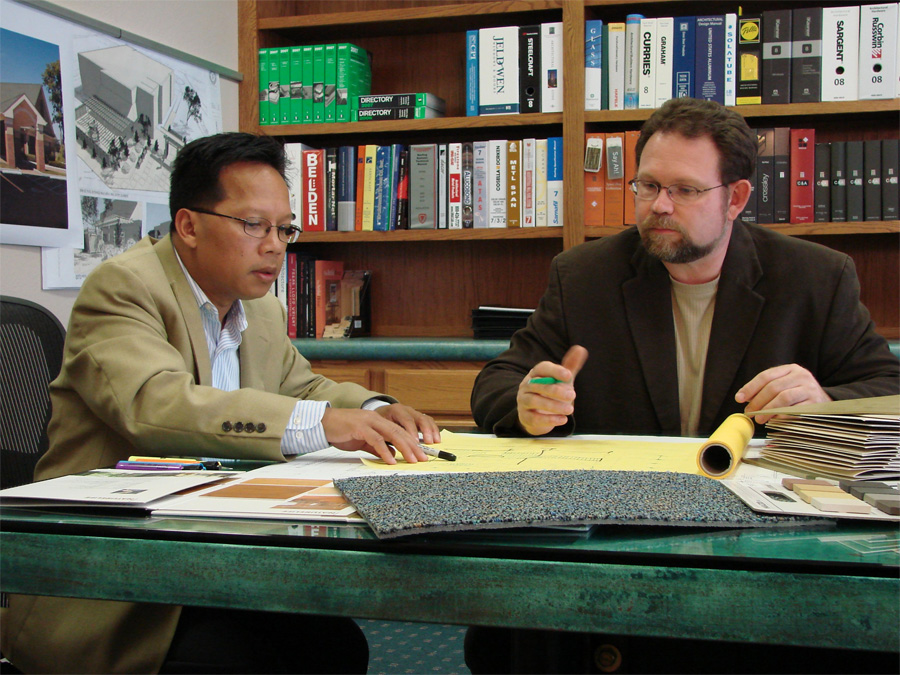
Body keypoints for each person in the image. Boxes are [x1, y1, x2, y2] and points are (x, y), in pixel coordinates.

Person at [466, 98, 899, 673]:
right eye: (647, 186)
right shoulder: (586, 275)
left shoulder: (815, 277)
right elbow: (498, 380)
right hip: (620, 541)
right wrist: (527, 402)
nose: (659, 206)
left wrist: (823, 401)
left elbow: (885, 387)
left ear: (736, 198)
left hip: (766, 543)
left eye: (685, 190)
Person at [2, 132, 440, 674]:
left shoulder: (257, 307)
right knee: (248, 659)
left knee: (334, 646)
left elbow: (301, 388)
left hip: (219, 551)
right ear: (188, 225)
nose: (275, 245)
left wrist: (375, 409)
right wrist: (325, 424)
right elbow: (155, 404)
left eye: (284, 229)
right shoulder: (123, 287)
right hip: (119, 573)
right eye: (254, 225)